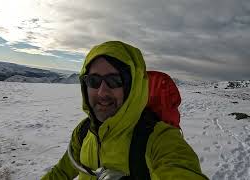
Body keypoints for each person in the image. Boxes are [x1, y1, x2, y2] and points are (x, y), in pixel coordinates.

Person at [41, 41, 209, 180]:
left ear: (131, 87)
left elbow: (180, 169)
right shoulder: (84, 132)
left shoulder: (160, 139)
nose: (102, 92)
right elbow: (61, 173)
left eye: (114, 80)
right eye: (93, 81)